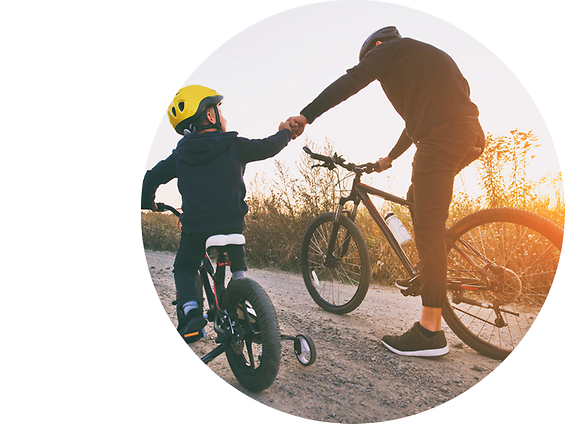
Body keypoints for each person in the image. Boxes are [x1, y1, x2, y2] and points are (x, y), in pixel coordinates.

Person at [288, 26, 485, 357]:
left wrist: (307, 115)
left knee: (428, 225)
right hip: (469, 134)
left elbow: (351, 81)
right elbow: (415, 123)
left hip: (441, 139)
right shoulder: (422, 57)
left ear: (376, 48)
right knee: (416, 198)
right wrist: (389, 159)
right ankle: (430, 269)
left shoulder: (388, 50)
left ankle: (430, 332)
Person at [142, 84, 298, 343]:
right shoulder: (233, 144)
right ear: (210, 115)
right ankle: (243, 295)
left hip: (196, 229)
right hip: (233, 224)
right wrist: (285, 132)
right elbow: (268, 146)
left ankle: (191, 311)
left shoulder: (181, 153)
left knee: (184, 267)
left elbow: (151, 177)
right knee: (237, 262)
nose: (223, 117)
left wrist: (148, 202)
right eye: (220, 111)